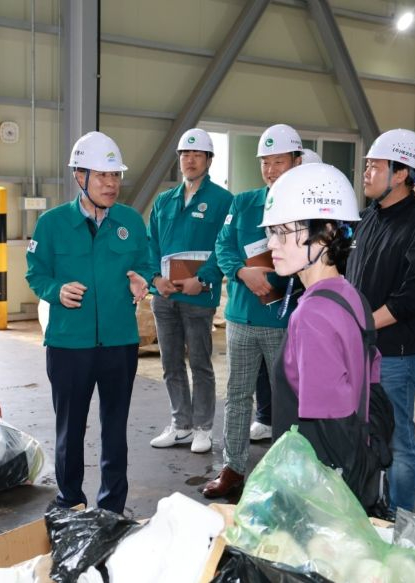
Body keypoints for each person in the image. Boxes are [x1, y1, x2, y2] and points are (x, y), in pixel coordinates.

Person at [26, 131, 153, 514]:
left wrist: (141, 279)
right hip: (69, 345)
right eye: (102, 176)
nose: (111, 184)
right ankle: (70, 503)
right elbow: (36, 274)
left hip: (119, 344)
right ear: (79, 176)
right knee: (70, 430)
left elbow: (145, 264)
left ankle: (112, 508)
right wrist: (56, 290)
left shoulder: (130, 220)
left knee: (115, 431)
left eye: (115, 176)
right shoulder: (52, 224)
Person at [259, 161, 384, 504]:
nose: (272, 244)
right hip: (355, 468)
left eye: (284, 232)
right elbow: (370, 381)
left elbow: (327, 426)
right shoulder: (349, 295)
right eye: (272, 232)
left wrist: (312, 502)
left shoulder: (312, 314)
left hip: (319, 486)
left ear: (326, 233)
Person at [345, 128, 415, 512]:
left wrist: (360, 324)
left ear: (402, 173)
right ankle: (373, 510)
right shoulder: (367, 219)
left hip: (396, 356)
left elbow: (413, 297)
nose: (366, 173)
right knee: (363, 435)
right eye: (367, 165)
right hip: (361, 347)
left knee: (399, 441)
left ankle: (402, 521)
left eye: (375, 166)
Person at [203, 124, 305, 498]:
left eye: (279, 162)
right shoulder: (243, 203)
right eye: (266, 163)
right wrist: (243, 272)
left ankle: (286, 472)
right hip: (242, 319)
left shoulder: (306, 208)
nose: (272, 170)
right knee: (237, 395)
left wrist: (276, 280)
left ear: (297, 162)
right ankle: (233, 468)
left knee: (287, 400)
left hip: (284, 322)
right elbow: (223, 245)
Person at [147, 128, 232, 454]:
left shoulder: (223, 201)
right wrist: (155, 278)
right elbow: (150, 243)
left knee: (199, 362)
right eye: (185, 154)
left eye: (197, 154)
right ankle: (180, 424)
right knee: (170, 363)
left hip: (198, 296)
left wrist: (205, 279)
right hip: (165, 296)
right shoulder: (164, 201)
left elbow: (226, 246)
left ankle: (203, 427)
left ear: (209, 160)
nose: (190, 160)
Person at [249, 147, 325, 444]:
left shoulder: (323, 311)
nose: (272, 245)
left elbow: (331, 409)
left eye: (283, 233)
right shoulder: (315, 305)